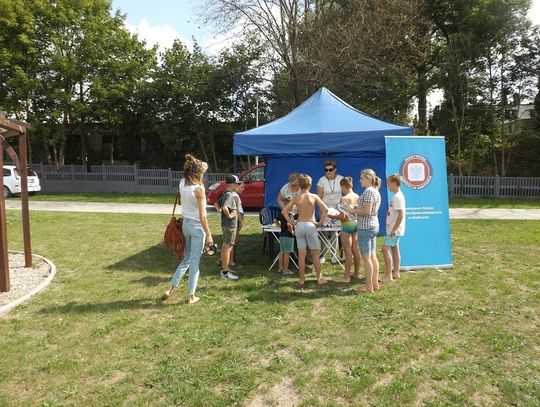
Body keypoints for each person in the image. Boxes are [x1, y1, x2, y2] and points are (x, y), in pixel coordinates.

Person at [162, 154, 213, 304]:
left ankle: (170, 288)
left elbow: (200, 166)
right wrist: (209, 235)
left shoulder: (182, 183)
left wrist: (192, 161)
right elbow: (203, 217)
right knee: (195, 263)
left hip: (186, 225)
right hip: (197, 227)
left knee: (187, 258)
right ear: (198, 172)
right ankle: (191, 296)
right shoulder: (200, 190)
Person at [282, 174, 329, 286]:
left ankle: (301, 279)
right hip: (311, 224)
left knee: (301, 255)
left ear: (299, 185)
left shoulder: (296, 198)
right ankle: (319, 278)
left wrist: (292, 222)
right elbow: (326, 209)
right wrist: (320, 223)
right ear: (310, 185)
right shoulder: (314, 196)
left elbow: (284, 211)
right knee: (315, 254)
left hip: (300, 225)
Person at [350, 168, 381, 293]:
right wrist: (357, 208)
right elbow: (368, 209)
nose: (360, 180)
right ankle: (374, 284)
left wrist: (353, 210)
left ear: (368, 178)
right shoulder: (375, 191)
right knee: (372, 256)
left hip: (365, 227)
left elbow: (366, 211)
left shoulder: (368, 192)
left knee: (367, 258)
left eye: (362, 177)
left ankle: (368, 286)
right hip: (373, 225)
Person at [316, 159, 343, 264]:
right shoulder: (321, 180)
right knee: (324, 231)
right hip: (325, 209)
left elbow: (345, 194)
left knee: (334, 232)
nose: (328, 172)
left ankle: (333, 255)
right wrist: (322, 212)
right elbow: (318, 198)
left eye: (330, 170)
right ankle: (322, 255)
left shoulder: (341, 179)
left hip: (337, 209)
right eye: (326, 170)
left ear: (335, 169)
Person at [334, 177, 361, 283]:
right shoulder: (357, 196)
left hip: (346, 225)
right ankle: (356, 273)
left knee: (348, 251)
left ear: (343, 186)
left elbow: (342, 216)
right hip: (356, 223)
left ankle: (346, 277)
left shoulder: (344, 198)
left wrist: (331, 215)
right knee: (355, 249)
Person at [381, 174, 406, 282]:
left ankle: (388, 275)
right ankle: (396, 272)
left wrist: (394, 229)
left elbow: (401, 214)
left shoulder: (397, 197)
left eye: (388, 184)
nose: (387, 186)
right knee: (395, 249)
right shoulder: (396, 195)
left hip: (394, 230)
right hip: (393, 228)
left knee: (384, 249)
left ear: (394, 184)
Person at [220, 174, 242, 280]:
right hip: (230, 225)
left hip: (225, 224)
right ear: (231, 184)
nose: (238, 186)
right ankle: (225, 273)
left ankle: (225, 268)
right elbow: (224, 208)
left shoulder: (225, 193)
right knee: (228, 248)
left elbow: (218, 205)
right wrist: (231, 215)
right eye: (236, 184)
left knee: (225, 247)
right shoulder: (230, 195)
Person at [274, 206, 296, 275]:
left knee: (282, 252)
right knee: (287, 253)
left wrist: (280, 226)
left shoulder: (282, 214)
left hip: (282, 235)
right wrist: (292, 231)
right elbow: (289, 224)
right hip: (288, 236)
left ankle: (280, 268)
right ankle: (286, 270)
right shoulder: (290, 215)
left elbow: (275, 220)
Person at [229, 182, 245, 269]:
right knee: (233, 241)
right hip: (237, 218)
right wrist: (240, 220)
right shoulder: (234, 195)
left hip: (238, 217)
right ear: (237, 186)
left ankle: (228, 259)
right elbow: (236, 209)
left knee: (234, 241)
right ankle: (230, 261)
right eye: (242, 187)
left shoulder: (235, 195)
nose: (243, 189)